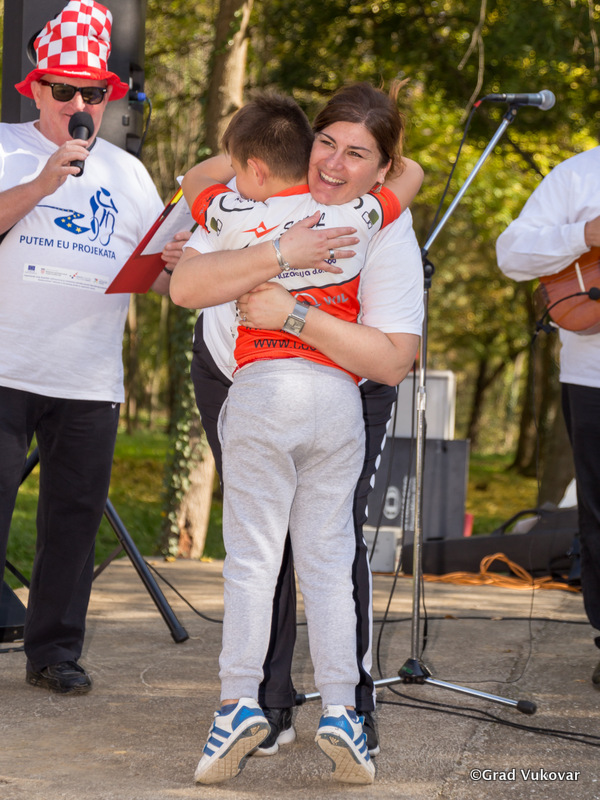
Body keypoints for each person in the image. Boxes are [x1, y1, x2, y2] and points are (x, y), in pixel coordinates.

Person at [171, 87, 423, 785]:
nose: (336, 163)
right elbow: (407, 180)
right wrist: (393, 173)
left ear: (252, 165)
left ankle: (238, 704)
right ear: (306, 144)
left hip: (262, 392)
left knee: (252, 559)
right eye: (326, 144)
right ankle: (343, 710)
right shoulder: (363, 214)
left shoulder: (235, 208)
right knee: (330, 558)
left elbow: (196, 188)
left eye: (356, 154)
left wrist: (276, 276)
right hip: (336, 401)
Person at [0, 0, 185, 695]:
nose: (80, 106)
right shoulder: (5, 147)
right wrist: (43, 182)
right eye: (64, 91)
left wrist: (180, 263)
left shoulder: (128, 173)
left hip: (88, 377)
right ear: (35, 90)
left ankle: (54, 654)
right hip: (5, 367)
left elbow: (154, 274)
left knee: (74, 522)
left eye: (93, 93)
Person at [496, 146, 600, 688]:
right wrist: (584, 235)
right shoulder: (579, 174)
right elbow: (511, 254)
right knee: (598, 515)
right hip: (593, 377)